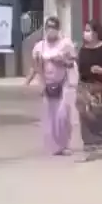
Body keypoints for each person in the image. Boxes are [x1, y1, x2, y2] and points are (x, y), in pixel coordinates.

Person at [26, 16, 77, 155]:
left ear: (58, 29)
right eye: (48, 27)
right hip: (48, 83)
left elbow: (72, 62)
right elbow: (35, 66)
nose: (51, 30)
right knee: (51, 116)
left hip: (64, 83)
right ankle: (55, 146)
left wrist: (61, 60)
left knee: (63, 115)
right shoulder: (39, 46)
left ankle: (64, 144)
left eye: (54, 27)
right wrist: (28, 82)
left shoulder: (65, 44)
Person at [76, 20, 102, 161]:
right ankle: (90, 143)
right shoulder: (83, 50)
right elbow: (80, 70)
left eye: (88, 30)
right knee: (86, 114)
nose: (85, 33)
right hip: (86, 87)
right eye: (85, 30)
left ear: (96, 32)